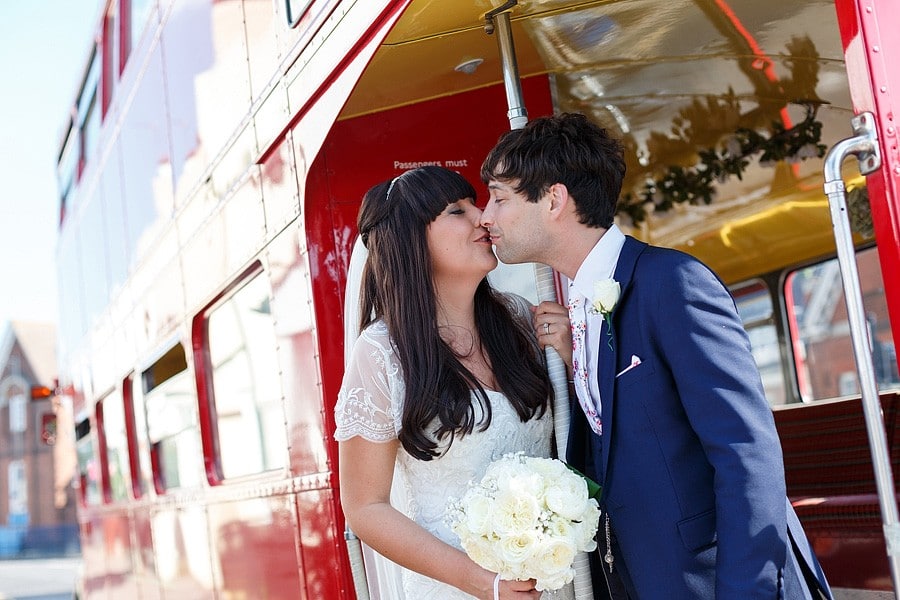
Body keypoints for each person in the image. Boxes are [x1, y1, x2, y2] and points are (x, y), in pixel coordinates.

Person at [479, 113, 833, 599]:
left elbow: (746, 451)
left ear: (555, 200)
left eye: (500, 199)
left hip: (716, 581)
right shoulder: (577, 311)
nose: (486, 217)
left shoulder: (673, 282)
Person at [335, 165, 572, 600]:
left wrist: (572, 359)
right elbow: (366, 508)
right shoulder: (382, 354)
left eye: (475, 203)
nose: (482, 216)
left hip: (555, 582)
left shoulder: (519, 320)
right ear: (411, 240)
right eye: (456, 210)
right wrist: (485, 584)